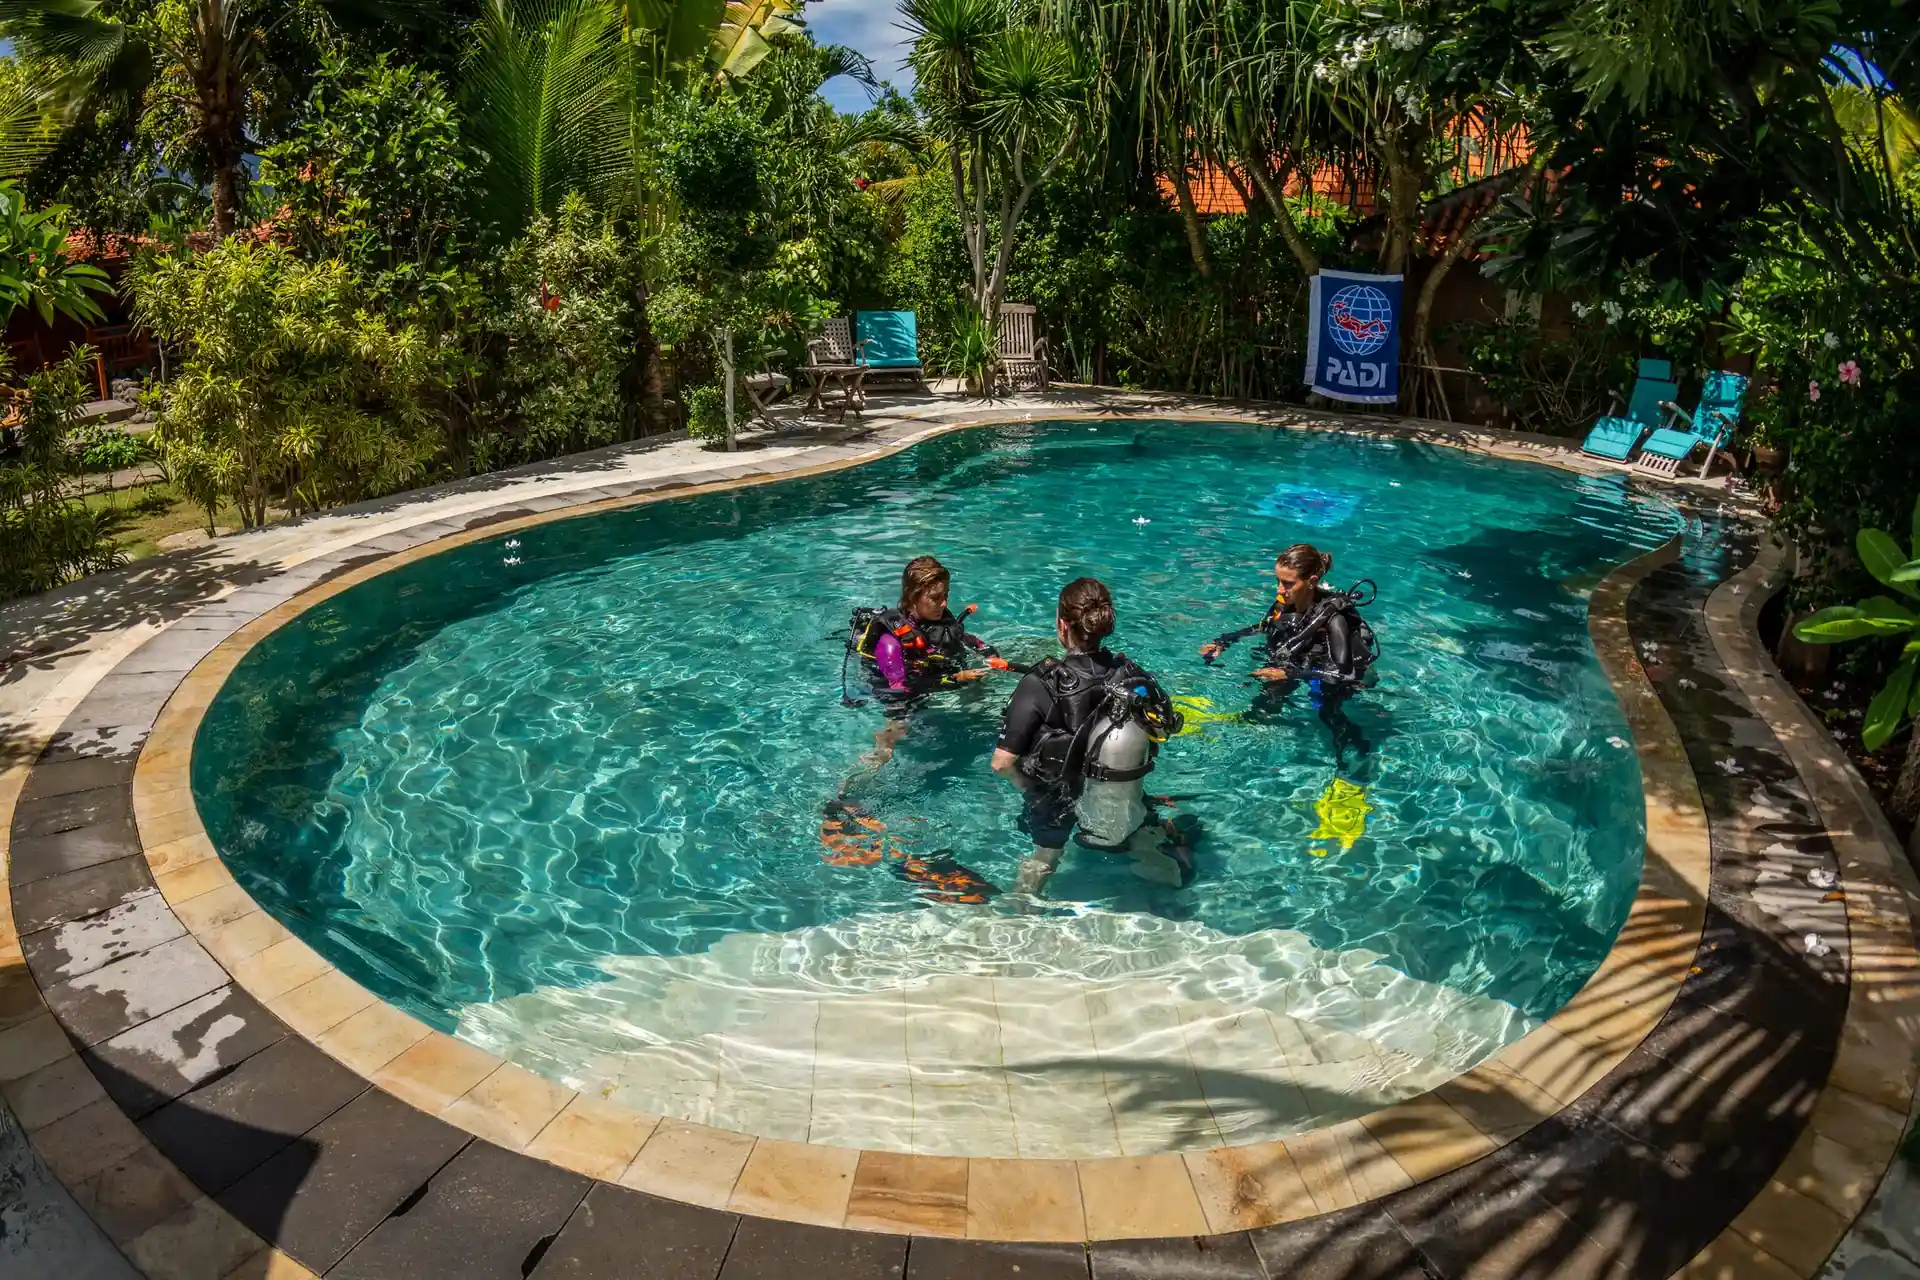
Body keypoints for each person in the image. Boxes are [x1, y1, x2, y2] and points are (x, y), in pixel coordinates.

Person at [990, 577, 1188, 896]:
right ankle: (1173, 892)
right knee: (1137, 838)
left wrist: (1029, 787)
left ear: (1062, 624)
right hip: (1115, 792)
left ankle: (1018, 914)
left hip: (1054, 797)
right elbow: (1164, 726)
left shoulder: (1040, 682)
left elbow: (1001, 762)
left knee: (1044, 858)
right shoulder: (1130, 673)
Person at [1201, 542, 1379, 776]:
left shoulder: (1335, 620)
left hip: (1335, 674)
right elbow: (1262, 626)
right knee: (1269, 694)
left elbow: (1344, 673)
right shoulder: (1285, 604)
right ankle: (1249, 742)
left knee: (1328, 712)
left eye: (1288, 584)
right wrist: (1224, 641)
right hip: (1302, 662)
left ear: (1312, 581)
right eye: (1278, 581)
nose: (1279, 590)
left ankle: (1354, 764)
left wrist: (1290, 673)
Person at [845, 554, 1009, 766]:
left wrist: (988, 653)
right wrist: (955, 678)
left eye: (946, 595)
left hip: (933, 677)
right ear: (913, 597)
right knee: (891, 740)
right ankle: (846, 791)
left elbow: (966, 639)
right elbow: (900, 688)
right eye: (935, 598)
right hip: (897, 696)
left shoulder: (937, 622)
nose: (943, 603)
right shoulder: (890, 643)